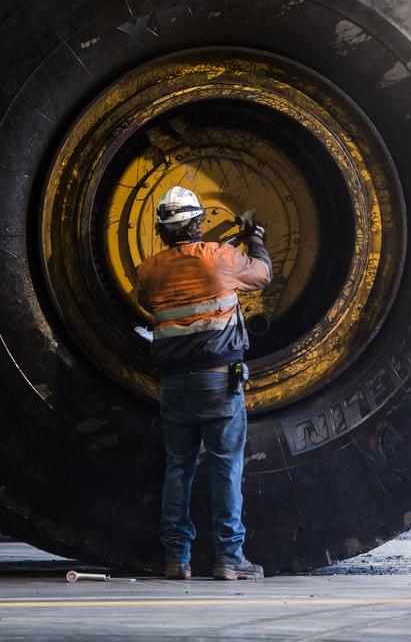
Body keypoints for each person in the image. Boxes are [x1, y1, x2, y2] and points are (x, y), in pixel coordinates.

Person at [135, 186, 271, 580]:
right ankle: (229, 559)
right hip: (218, 383)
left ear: (161, 230)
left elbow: (150, 301)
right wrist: (255, 238)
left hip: (175, 385)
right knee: (226, 468)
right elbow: (262, 275)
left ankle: (177, 559)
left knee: (178, 467)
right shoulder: (221, 257)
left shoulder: (149, 271)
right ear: (198, 222)